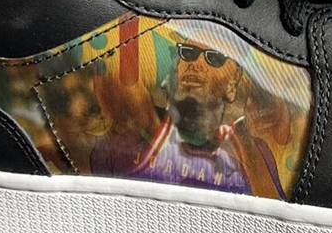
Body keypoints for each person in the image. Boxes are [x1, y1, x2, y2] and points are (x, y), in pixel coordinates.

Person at [90, 31, 285, 198]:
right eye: (188, 53)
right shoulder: (141, 131)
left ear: (233, 81)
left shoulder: (251, 147)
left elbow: (273, 215)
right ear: (176, 66)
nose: (196, 64)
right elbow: (121, 85)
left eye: (214, 58)